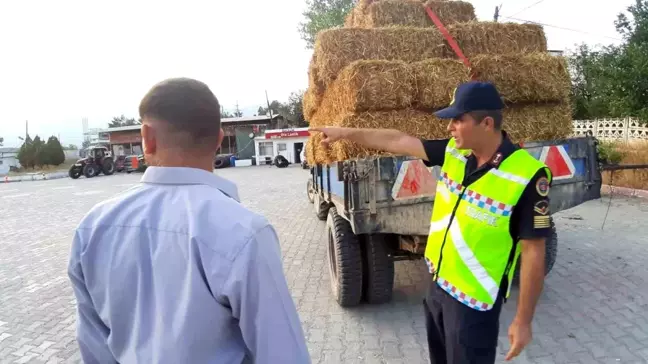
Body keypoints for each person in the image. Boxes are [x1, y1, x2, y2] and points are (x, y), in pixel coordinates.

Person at [68, 78, 311, 364]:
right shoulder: (245, 233)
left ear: (147, 137)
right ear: (219, 140)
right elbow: (282, 354)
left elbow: (94, 349)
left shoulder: (92, 229)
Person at [311, 81, 552, 364]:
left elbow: (534, 252)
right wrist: (344, 133)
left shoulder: (527, 175)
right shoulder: (455, 153)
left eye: (458, 120)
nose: (449, 127)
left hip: (473, 304)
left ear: (486, 123)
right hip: (437, 287)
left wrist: (523, 321)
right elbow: (396, 141)